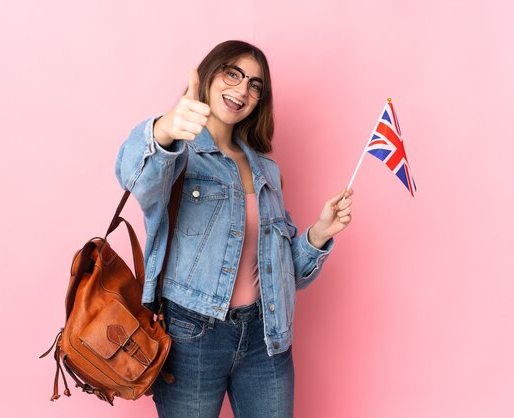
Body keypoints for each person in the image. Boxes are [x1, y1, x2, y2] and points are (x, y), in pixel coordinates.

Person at [115, 40, 353, 418]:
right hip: (190, 337)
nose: (242, 90)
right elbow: (134, 178)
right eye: (233, 74)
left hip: (266, 337)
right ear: (210, 75)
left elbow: (284, 273)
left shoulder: (266, 170)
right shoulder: (179, 153)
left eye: (255, 85)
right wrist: (163, 130)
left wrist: (319, 234)